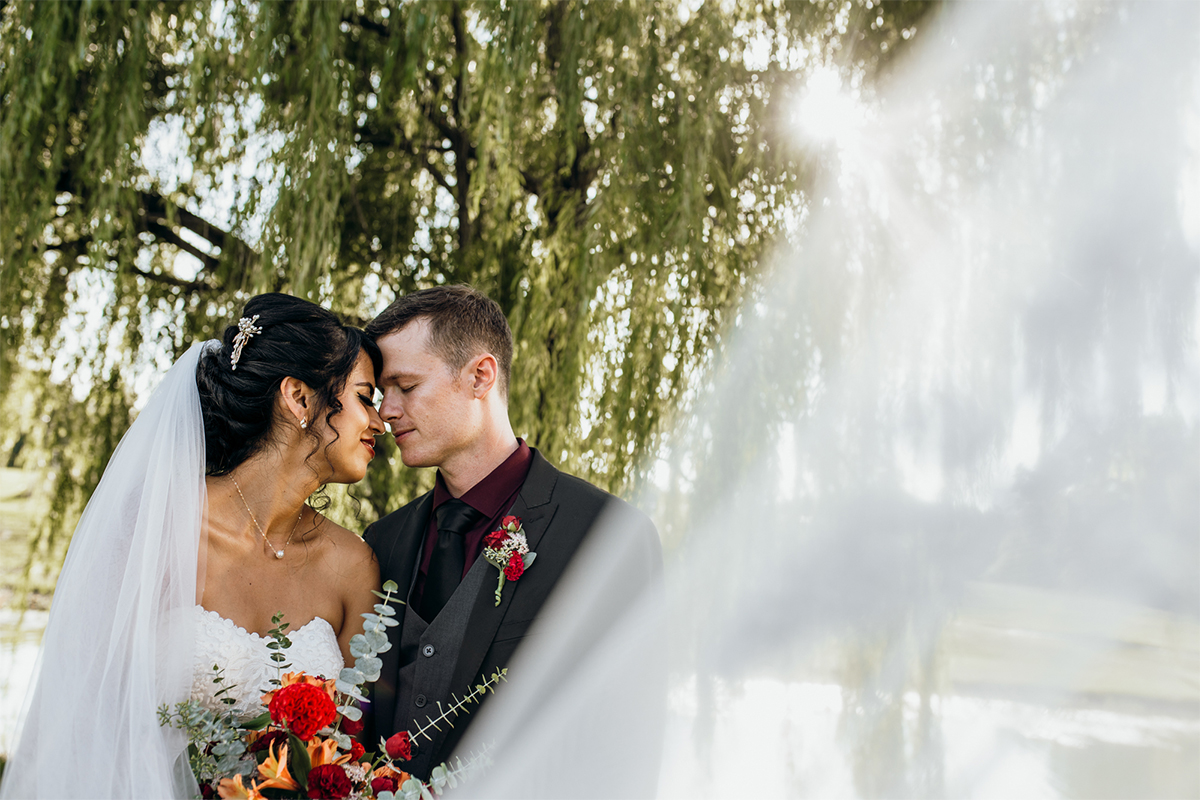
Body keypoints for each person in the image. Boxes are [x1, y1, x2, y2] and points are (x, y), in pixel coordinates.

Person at [0, 294, 385, 799]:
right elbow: (82, 719)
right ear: (300, 398)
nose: (380, 423)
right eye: (365, 398)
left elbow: (350, 754)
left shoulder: (352, 567)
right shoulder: (154, 527)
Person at [361, 285, 663, 784]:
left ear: (480, 376)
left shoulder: (609, 536)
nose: (385, 412)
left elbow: (630, 744)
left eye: (406, 387)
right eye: (380, 394)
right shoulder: (382, 541)